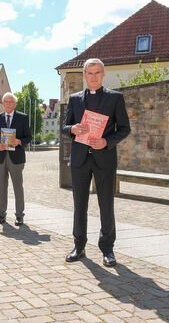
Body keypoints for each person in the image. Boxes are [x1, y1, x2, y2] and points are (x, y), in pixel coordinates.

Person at [63, 58, 131, 267]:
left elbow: (124, 129)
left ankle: (107, 249)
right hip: (80, 159)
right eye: (89, 73)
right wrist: (73, 129)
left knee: (106, 205)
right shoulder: (74, 99)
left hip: (105, 159)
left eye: (97, 72)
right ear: (84, 75)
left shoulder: (115, 98)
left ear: (103, 74)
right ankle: (79, 246)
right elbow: (64, 127)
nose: (93, 77)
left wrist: (106, 141)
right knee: (79, 205)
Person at [0, 92, 32, 226]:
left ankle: (19, 216)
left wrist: (19, 141)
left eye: (10, 101)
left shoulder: (23, 118)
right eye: (6, 101)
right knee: (2, 187)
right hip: (0, 157)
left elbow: (28, 137)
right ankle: (1, 214)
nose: (8, 103)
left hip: (16, 158)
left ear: (15, 104)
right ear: (3, 104)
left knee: (18, 187)